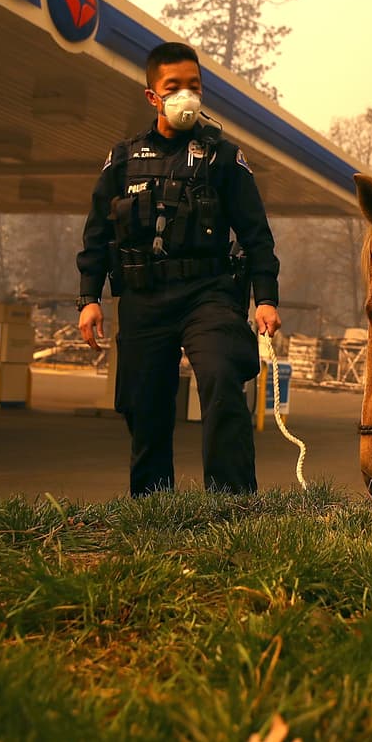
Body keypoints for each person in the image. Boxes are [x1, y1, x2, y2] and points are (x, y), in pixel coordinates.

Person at [76, 42, 281, 497]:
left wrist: (265, 298)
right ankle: (153, 508)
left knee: (222, 376)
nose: (186, 94)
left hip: (207, 294)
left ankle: (232, 506)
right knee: (144, 405)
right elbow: (97, 233)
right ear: (153, 96)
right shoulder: (122, 159)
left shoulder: (224, 159)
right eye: (174, 87)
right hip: (142, 298)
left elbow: (256, 234)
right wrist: (89, 298)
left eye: (194, 85)